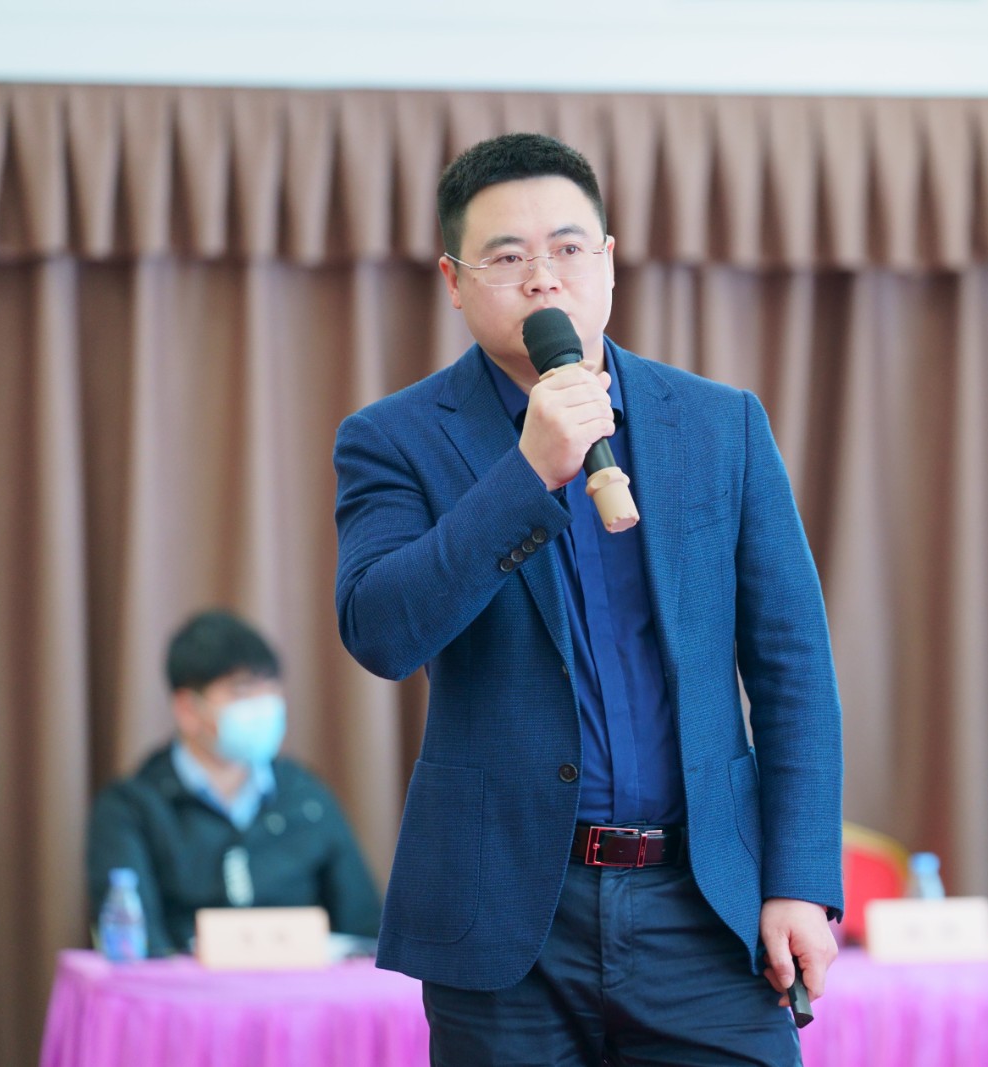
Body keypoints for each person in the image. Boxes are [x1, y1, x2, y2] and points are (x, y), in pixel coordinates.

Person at [332, 132, 844, 1065]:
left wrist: (800, 879)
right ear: (454, 282)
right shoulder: (394, 438)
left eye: (568, 247)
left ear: (607, 262)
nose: (543, 277)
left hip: (705, 904)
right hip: (506, 919)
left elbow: (794, 666)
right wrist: (527, 473)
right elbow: (381, 631)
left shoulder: (720, 424)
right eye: (506, 257)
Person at [86, 608, 381, 957]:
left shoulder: (306, 798)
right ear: (187, 709)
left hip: (301, 989)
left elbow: (365, 929)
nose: (262, 707)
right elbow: (138, 947)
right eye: (242, 692)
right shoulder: (132, 809)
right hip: (188, 990)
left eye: (270, 690)